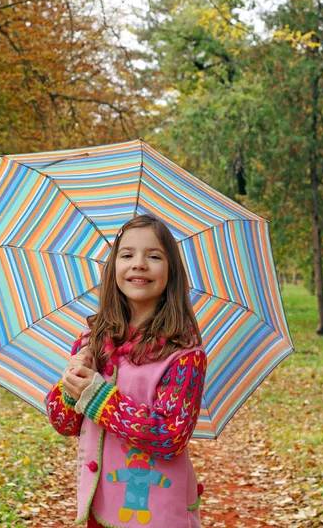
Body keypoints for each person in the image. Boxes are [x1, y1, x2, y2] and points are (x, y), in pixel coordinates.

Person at [45, 214, 207, 528]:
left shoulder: (184, 354)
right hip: (99, 505)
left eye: (154, 256)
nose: (139, 264)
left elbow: (171, 436)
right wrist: (71, 383)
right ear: (113, 268)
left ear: (171, 272)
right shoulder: (92, 340)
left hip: (156, 512)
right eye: (127, 254)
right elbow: (64, 424)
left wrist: (97, 396)